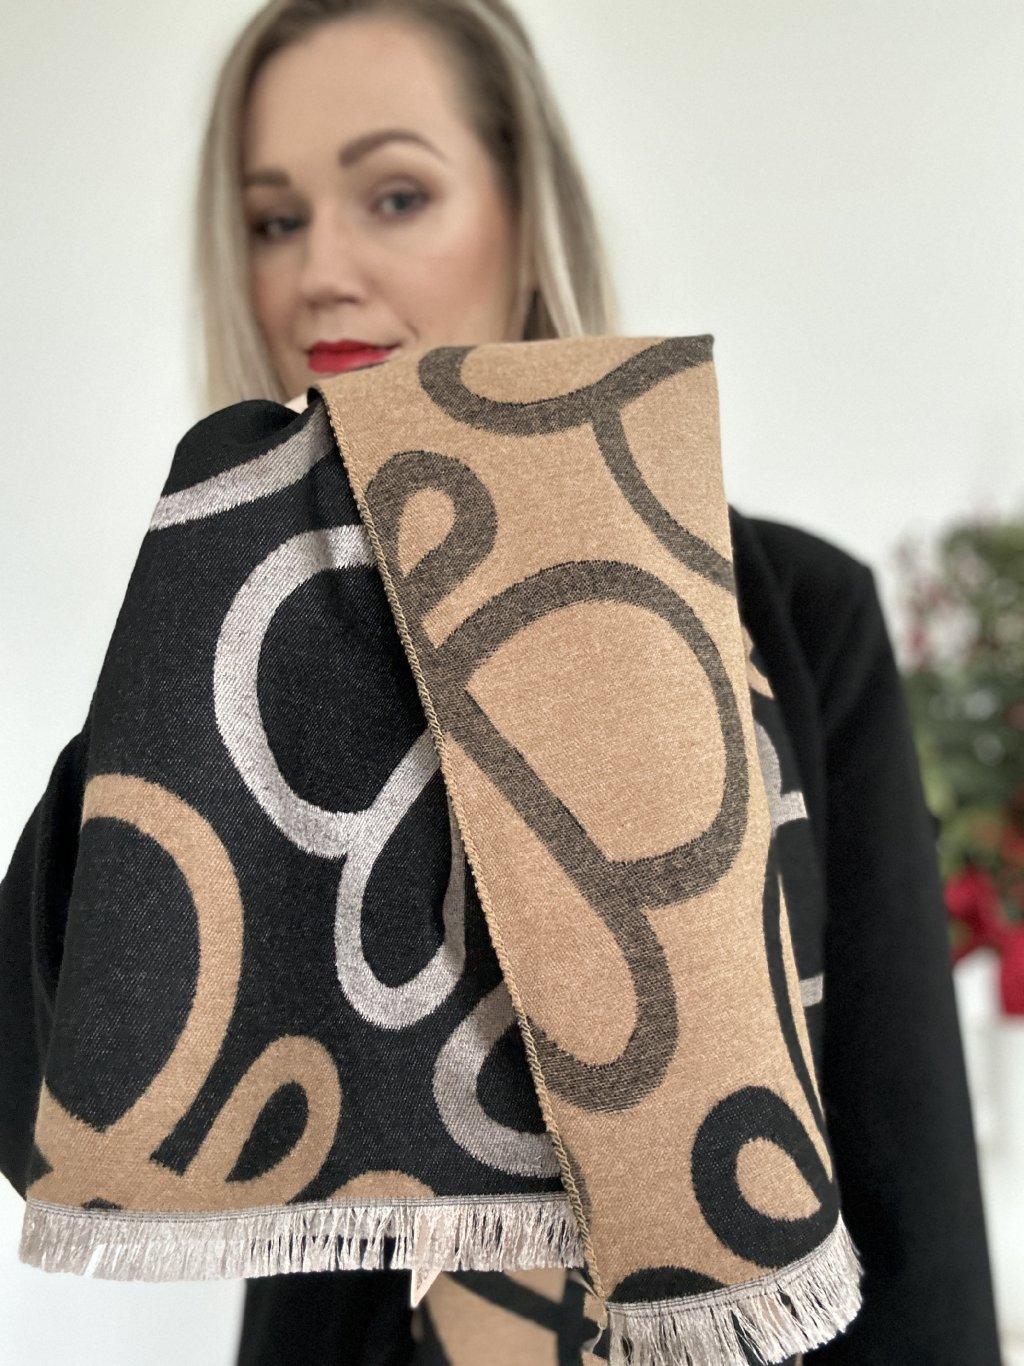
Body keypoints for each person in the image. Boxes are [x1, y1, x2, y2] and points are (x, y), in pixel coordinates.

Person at [0, 2, 1002, 1364]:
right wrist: (207, 592)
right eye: (274, 219)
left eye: (394, 195)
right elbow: (46, 1083)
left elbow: (908, 1171)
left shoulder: (790, 610)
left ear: (525, 219)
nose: (319, 272)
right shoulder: (241, 639)